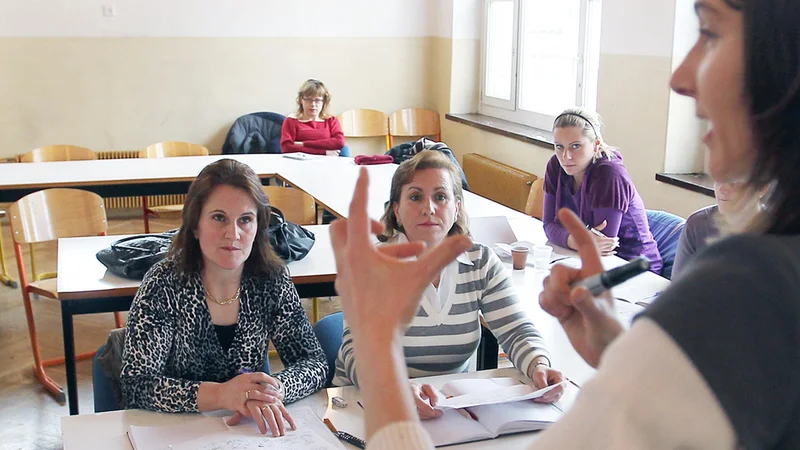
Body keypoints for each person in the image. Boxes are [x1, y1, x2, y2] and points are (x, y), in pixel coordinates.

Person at [326, 0, 800, 447]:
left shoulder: (752, 281)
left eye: (710, 32)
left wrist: (377, 345)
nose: (678, 76)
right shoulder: (771, 271)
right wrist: (623, 356)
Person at [332, 151, 563, 417]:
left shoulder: (480, 263)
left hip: (446, 409)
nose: (428, 208)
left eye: (440, 197)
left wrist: (538, 364)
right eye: (415, 197)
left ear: (456, 208)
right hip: (365, 406)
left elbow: (516, 330)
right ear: (396, 209)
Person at [120, 159, 328, 437]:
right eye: (219, 217)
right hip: (173, 431)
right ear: (195, 225)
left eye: (246, 220)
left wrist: (273, 390)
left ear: (259, 226)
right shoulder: (165, 282)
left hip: (246, 431)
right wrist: (221, 395)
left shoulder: (271, 279)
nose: (233, 234)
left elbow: (313, 362)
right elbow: (137, 385)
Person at [544, 107, 663, 274]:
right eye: (559, 147)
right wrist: (577, 240)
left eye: (576, 146)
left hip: (634, 267)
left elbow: (604, 246)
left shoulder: (609, 174)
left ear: (596, 144)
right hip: (580, 259)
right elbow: (548, 225)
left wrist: (567, 236)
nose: (566, 156)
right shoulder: (555, 166)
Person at [672, 180, 765, 279]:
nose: (722, 189)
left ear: (763, 187)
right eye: (718, 180)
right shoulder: (698, 224)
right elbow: (678, 283)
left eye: (735, 181)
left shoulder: (778, 231)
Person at [280, 79, 349, 156]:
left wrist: (303, 144)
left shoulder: (331, 121)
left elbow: (340, 142)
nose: (313, 104)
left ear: (324, 102)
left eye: (318, 100)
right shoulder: (291, 121)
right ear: (301, 100)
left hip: (327, 164)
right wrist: (323, 152)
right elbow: (287, 148)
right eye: (309, 99)